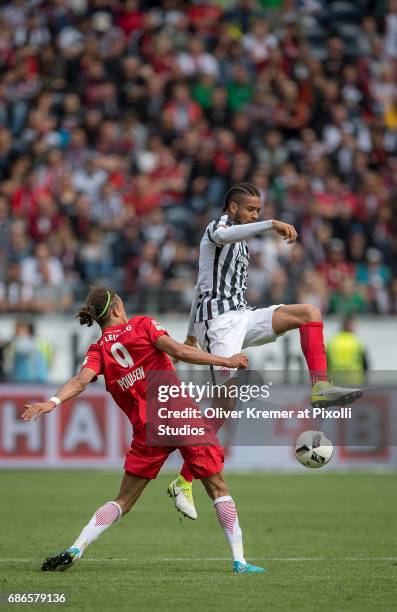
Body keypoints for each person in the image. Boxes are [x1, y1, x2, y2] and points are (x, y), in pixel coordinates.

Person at [22, 286, 265, 575]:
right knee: (217, 488)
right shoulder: (142, 325)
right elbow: (179, 350)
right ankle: (240, 561)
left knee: (123, 500)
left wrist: (52, 402)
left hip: (147, 430)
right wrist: (227, 360)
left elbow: (80, 381)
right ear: (115, 309)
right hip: (178, 416)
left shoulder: (98, 350)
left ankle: (77, 547)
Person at [168, 182, 363, 520]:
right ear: (233, 208)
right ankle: (183, 481)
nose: (256, 215)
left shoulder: (239, 242)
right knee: (224, 405)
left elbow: (202, 285)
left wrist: (188, 337)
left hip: (242, 315)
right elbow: (207, 284)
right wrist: (271, 224)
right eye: (251, 210)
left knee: (309, 314)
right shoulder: (216, 229)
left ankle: (320, 387)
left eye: (259, 211)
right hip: (218, 325)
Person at [326, 317, 369, 386]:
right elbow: (365, 364)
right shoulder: (357, 342)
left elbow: (326, 362)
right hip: (355, 380)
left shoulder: (332, 341)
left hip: (335, 380)